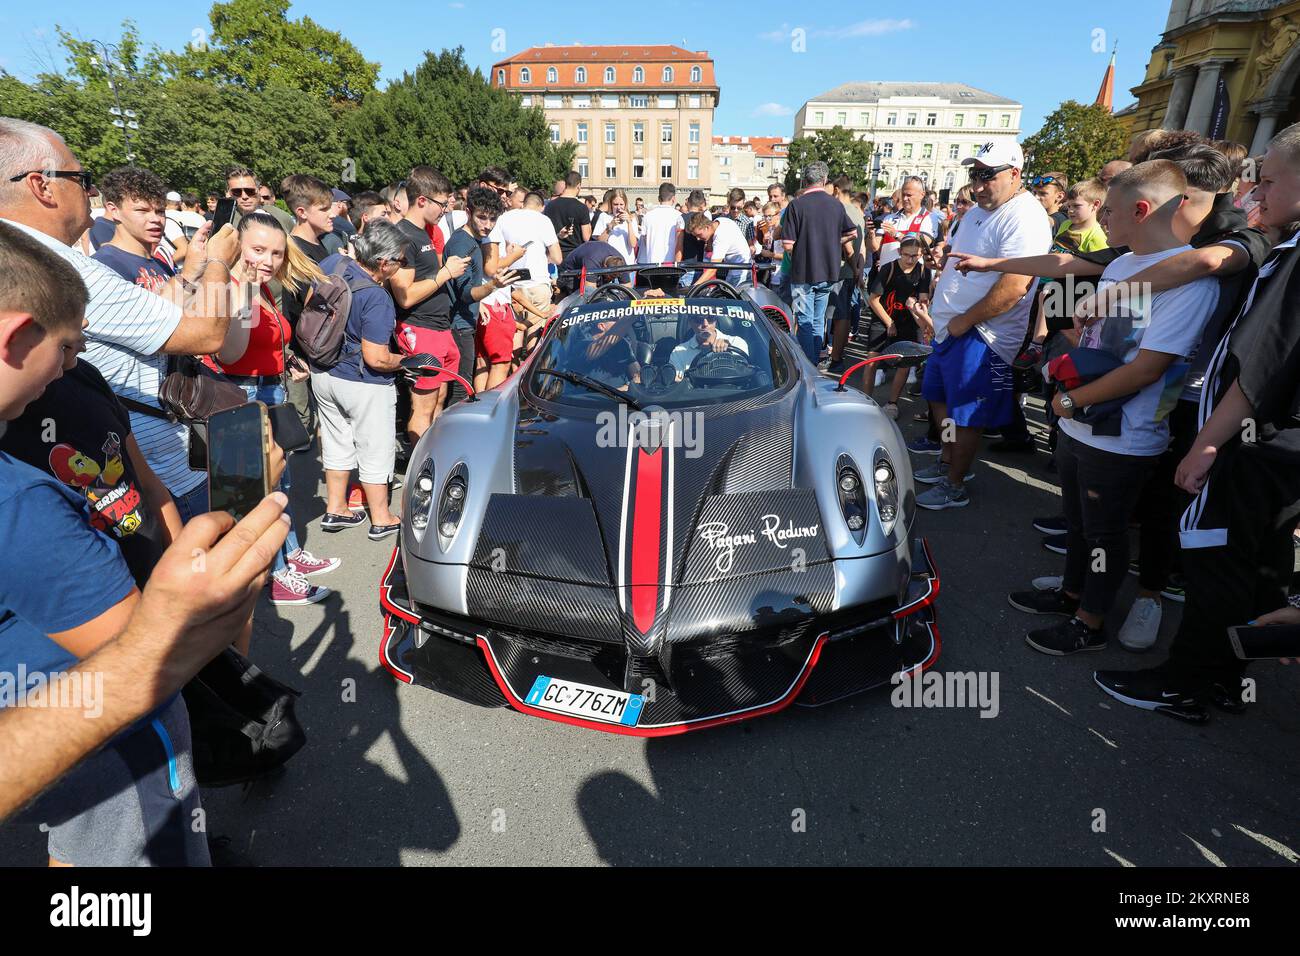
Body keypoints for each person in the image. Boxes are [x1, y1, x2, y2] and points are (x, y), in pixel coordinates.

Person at [0, 219, 212, 864]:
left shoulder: (77, 386)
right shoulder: (19, 500)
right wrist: (210, 598)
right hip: (98, 714)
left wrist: (176, 544)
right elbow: (134, 651)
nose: (67, 368)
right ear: (13, 336)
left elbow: (145, 483)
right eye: (63, 348)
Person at [1094, 124, 1300, 719]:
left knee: (1218, 562)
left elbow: (1259, 370)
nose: (1255, 194)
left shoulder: (1286, 254)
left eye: (1268, 181)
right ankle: (1234, 677)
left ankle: (1187, 683)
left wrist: (1206, 444)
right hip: (1276, 448)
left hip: (1255, 446)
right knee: (1262, 564)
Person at [1008, 161, 1218, 655]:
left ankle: (1091, 622)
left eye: (1110, 210)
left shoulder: (1191, 283)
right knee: (1079, 523)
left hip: (1125, 433)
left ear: (1142, 211)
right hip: (1081, 423)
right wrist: (1073, 339)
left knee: (1105, 533)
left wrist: (1069, 399)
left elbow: (1147, 370)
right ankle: (1071, 594)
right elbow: (1098, 337)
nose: (1103, 220)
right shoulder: (1122, 266)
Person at [0, 118, 239, 523]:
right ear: (41, 185)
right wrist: (219, 261)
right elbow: (205, 334)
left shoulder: (29, 256)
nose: (90, 191)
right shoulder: (64, 266)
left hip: (131, 462)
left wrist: (192, 273)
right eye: (81, 178)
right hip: (150, 470)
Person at [910, 140, 1051, 510]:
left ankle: (955, 483)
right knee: (938, 398)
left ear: (1015, 174)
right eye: (975, 174)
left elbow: (1016, 286)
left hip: (981, 333)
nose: (978, 183)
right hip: (950, 327)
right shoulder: (975, 211)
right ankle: (948, 462)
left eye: (987, 175)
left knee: (966, 413)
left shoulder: (1026, 216)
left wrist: (963, 322)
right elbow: (959, 256)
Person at [214, 210, 337, 603]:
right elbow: (231, 353)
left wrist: (286, 359)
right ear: (237, 246)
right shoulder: (230, 286)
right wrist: (247, 294)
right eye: (258, 250)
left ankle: (291, 554)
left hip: (270, 390)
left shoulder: (263, 286)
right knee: (257, 493)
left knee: (280, 484)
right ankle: (275, 576)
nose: (267, 260)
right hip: (242, 396)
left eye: (276, 253)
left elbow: (268, 338)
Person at [310, 219, 411, 540]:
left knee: (337, 442)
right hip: (362, 382)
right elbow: (377, 357)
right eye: (400, 261)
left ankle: (336, 508)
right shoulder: (377, 298)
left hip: (323, 371)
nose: (402, 267)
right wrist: (407, 361)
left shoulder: (333, 262)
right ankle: (381, 517)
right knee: (375, 448)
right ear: (383, 262)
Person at [389, 166, 470, 442]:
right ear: (422, 200)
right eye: (441, 203)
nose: (445, 209)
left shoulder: (424, 232)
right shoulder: (403, 235)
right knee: (423, 407)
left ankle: (436, 455)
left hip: (440, 328)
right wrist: (445, 273)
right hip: (420, 328)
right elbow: (405, 295)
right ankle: (422, 469)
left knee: (440, 398)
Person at [444, 186, 519, 404]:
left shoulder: (472, 240)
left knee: (464, 383)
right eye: (482, 217)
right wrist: (493, 286)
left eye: (492, 219)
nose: (487, 225)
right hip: (458, 325)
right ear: (468, 212)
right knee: (460, 389)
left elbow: (463, 287)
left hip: (466, 320)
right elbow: (465, 293)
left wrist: (482, 304)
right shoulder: (462, 243)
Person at [781, 162, 858, 363]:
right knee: (817, 321)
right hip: (828, 272)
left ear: (805, 181)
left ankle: (808, 365)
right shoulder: (836, 204)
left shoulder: (796, 205)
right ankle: (813, 361)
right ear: (824, 181)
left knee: (805, 322)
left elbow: (788, 245)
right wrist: (832, 242)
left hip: (803, 273)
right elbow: (852, 233)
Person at [865, 235, 934, 413]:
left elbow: (923, 300)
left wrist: (923, 321)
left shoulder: (923, 272)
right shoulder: (889, 269)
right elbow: (873, 299)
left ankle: (892, 403)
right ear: (899, 252)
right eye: (907, 255)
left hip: (908, 320)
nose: (911, 259)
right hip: (883, 317)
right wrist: (889, 323)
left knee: (904, 364)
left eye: (915, 256)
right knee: (872, 361)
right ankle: (866, 402)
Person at [485, 190, 560, 346]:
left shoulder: (504, 218)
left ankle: (515, 367)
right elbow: (557, 258)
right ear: (541, 206)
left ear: (524, 203)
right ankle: (530, 365)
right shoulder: (544, 220)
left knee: (515, 332)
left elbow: (495, 252)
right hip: (538, 282)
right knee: (536, 331)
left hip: (510, 282)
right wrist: (542, 258)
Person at [91, 167, 176, 292]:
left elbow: (192, 298)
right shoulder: (104, 266)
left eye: (160, 211)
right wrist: (190, 272)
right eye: (142, 211)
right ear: (114, 210)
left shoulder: (161, 263)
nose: (156, 219)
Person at [825, 174, 867, 374]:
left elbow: (848, 248)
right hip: (850, 272)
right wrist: (859, 268)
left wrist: (856, 267)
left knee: (839, 316)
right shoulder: (858, 212)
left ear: (835, 189)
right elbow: (863, 247)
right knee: (844, 316)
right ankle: (837, 356)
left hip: (841, 271)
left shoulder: (839, 210)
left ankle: (836, 358)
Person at [877, 177, 942, 268]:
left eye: (909, 195)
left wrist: (896, 234)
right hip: (887, 275)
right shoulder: (889, 217)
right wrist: (871, 233)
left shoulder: (929, 217)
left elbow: (922, 244)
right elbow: (874, 247)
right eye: (903, 195)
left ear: (922, 195)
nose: (905, 198)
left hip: (912, 276)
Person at [669, 310, 749, 377]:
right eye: (699, 319)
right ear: (690, 322)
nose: (705, 324)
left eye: (710, 318)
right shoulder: (679, 352)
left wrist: (728, 352)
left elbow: (744, 374)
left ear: (716, 319)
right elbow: (678, 387)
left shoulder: (736, 342)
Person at [684, 210, 751, 285]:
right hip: (739, 267)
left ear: (707, 227)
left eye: (699, 235)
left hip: (739, 272)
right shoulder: (719, 221)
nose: (698, 239)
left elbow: (712, 269)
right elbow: (710, 248)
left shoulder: (721, 236)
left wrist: (694, 287)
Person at [546, 171, 591, 260]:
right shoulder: (581, 207)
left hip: (554, 253)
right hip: (575, 255)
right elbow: (586, 237)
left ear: (566, 184)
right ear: (578, 186)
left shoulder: (550, 205)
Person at [638, 182, 684, 266]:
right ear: (673, 199)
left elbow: (645, 240)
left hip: (652, 264)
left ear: (659, 198)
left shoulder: (647, 216)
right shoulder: (679, 216)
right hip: (671, 265)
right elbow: (680, 242)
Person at [592, 188, 638, 264]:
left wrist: (629, 222)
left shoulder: (632, 219)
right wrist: (610, 226)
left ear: (625, 204)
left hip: (627, 264)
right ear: (611, 204)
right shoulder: (604, 216)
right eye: (615, 204)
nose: (619, 207)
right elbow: (600, 242)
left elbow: (633, 244)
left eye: (621, 204)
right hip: (609, 264)